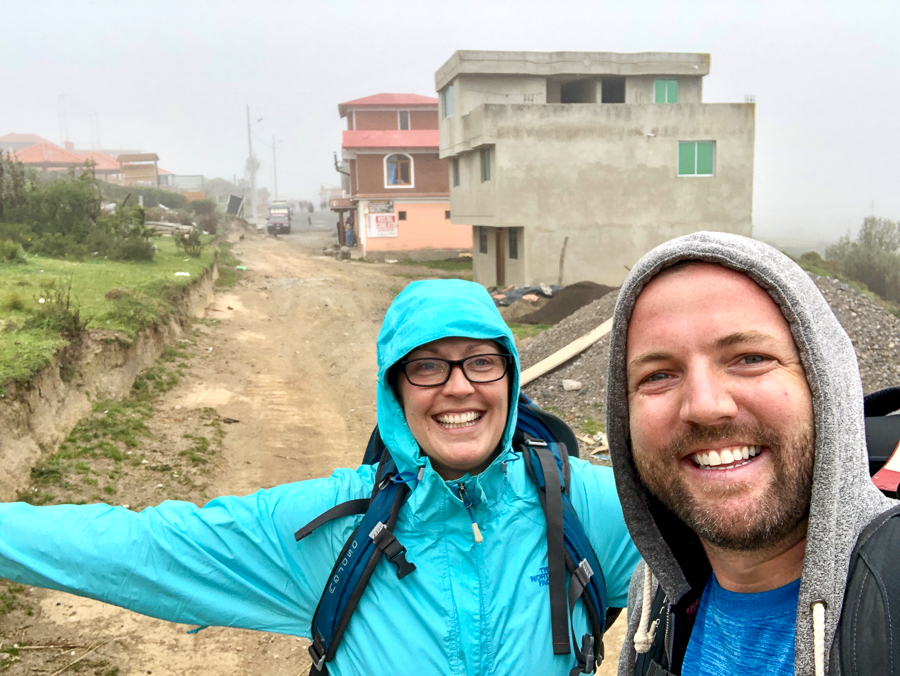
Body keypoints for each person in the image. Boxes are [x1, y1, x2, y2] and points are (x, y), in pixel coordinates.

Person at [0, 279, 639, 675]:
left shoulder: (591, 508)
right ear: (394, 391)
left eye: (481, 361)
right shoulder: (334, 530)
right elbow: (143, 548)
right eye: (427, 367)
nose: (458, 387)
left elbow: (721, 554)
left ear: (510, 375)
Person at [605, 232, 898, 676]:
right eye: (659, 374)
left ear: (826, 386)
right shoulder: (658, 602)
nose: (704, 405)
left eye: (749, 358)